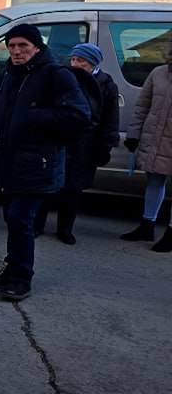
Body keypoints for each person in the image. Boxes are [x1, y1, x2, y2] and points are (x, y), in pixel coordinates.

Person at [0, 24, 90, 301]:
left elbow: (79, 116)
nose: (17, 51)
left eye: (23, 46)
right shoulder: (7, 73)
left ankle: (21, 279)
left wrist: (33, 118)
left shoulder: (56, 75)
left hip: (37, 163)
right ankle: (11, 270)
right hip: (9, 160)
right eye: (12, 46)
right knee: (12, 218)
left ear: (37, 47)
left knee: (21, 218)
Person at [35, 43, 119, 244]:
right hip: (59, 140)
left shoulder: (107, 85)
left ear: (92, 64)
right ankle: (37, 225)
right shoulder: (63, 78)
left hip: (86, 144)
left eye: (80, 61)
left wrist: (106, 146)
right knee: (47, 185)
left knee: (73, 190)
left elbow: (111, 119)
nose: (75, 64)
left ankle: (65, 229)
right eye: (73, 59)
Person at [120, 42, 172, 252]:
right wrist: (133, 134)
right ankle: (147, 225)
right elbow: (142, 105)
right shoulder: (159, 73)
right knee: (154, 180)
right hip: (157, 136)